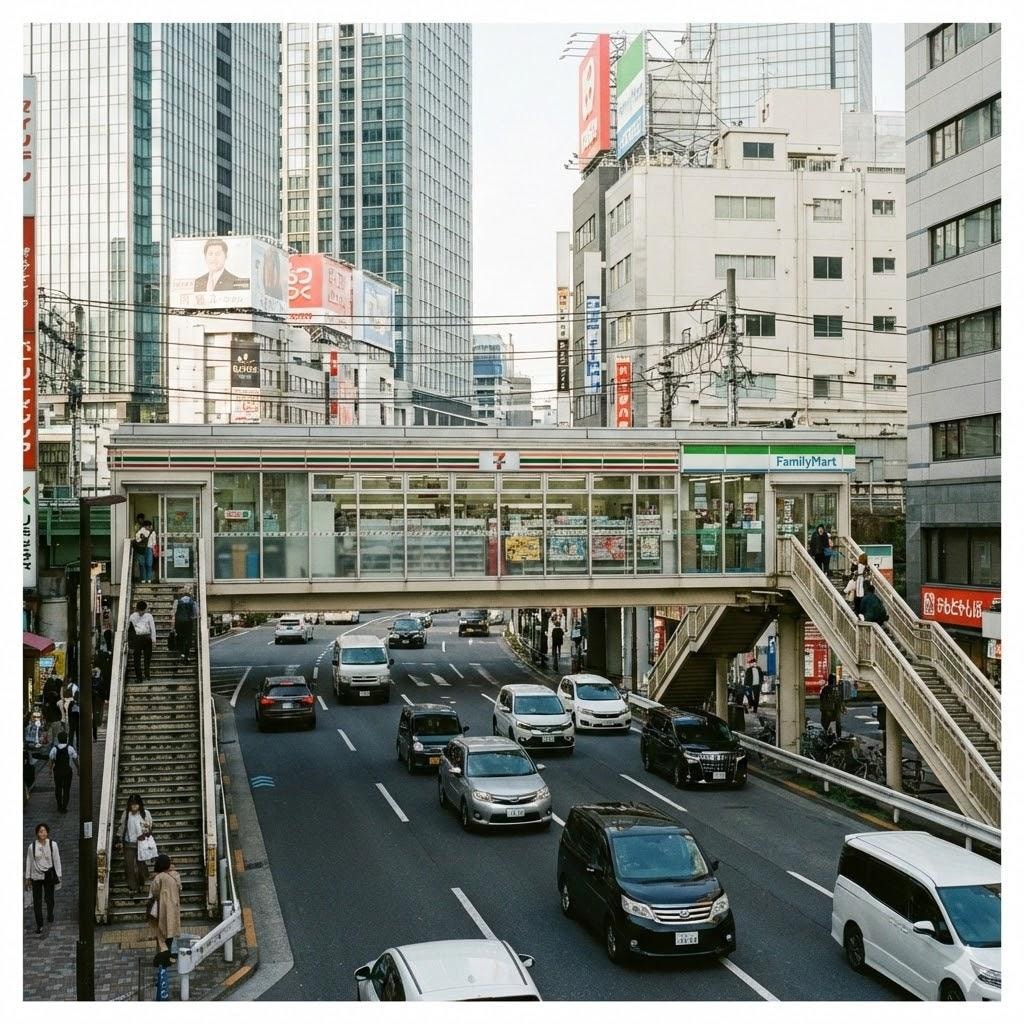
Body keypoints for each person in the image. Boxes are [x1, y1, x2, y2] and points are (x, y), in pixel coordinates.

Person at [25, 823, 62, 934]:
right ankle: (39, 924)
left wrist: (59, 874)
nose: (43, 833)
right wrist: (28, 877)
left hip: (48, 875)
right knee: (37, 901)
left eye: (44, 831)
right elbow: (29, 862)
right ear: (37, 833)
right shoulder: (32, 847)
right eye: (40, 831)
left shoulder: (53, 844)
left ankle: (50, 913)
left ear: (47, 832)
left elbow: (57, 860)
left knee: (49, 898)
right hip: (36, 876)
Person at [118, 794, 154, 897]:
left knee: (141, 865)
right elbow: (122, 827)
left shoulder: (145, 814)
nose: (134, 807)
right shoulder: (126, 814)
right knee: (129, 865)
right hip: (128, 843)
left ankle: (142, 882)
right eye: (132, 804)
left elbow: (150, 826)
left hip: (141, 843)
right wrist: (120, 840)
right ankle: (132, 886)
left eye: (136, 804)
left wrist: (147, 829)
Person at [148, 854, 182, 958]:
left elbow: (154, 892)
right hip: (173, 907)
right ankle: (169, 952)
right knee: (170, 930)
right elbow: (180, 888)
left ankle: (162, 955)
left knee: (161, 932)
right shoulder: (176, 875)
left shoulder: (158, 877)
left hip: (161, 908)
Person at [49, 732, 78, 813]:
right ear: (67, 738)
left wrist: (50, 771)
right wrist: (78, 769)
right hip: (67, 772)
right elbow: (75, 759)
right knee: (66, 789)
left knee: (58, 788)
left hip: (57, 771)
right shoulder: (70, 748)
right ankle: (64, 807)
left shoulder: (54, 749)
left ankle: (59, 806)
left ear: (58, 739)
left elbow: (51, 760)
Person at [129, 600, 157, 683]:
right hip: (143, 638)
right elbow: (152, 628)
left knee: (143, 658)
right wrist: (154, 640)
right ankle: (143, 676)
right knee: (140, 659)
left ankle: (142, 676)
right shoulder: (146, 616)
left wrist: (153, 640)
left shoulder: (133, 616)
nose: (141, 612)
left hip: (142, 639)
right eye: (141, 610)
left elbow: (152, 628)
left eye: (142, 610)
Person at [171, 587, 198, 669]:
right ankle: (187, 654)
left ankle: (182, 652)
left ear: (181, 594)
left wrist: (172, 626)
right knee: (188, 638)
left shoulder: (177, 601)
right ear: (189, 594)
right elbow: (196, 613)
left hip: (179, 623)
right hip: (189, 622)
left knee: (180, 637)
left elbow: (173, 613)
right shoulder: (193, 602)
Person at [41, 674, 62, 743]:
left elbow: (45, 704)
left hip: (48, 716)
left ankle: (45, 740)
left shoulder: (46, 693)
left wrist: (44, 713)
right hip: (55, 716)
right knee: (55, 735)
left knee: (46, 728)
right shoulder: (56, 694)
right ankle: (54, 745)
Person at [65, 679, 81, 749]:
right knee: (78, 735)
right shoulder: (79, 704)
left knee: (71, 734)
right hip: (78, 722)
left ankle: (70, 745)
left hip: (72, 722)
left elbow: (68, 712)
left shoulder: (71, 703)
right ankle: (78, 746)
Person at [91, 666, 105, 741]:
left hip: (96, 701)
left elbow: (102, 690)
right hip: (94, 701)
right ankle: (94, 736)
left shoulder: (99, 680)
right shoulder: (92, 680)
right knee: (94, 719)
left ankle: (95, 736)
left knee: (95, 719)